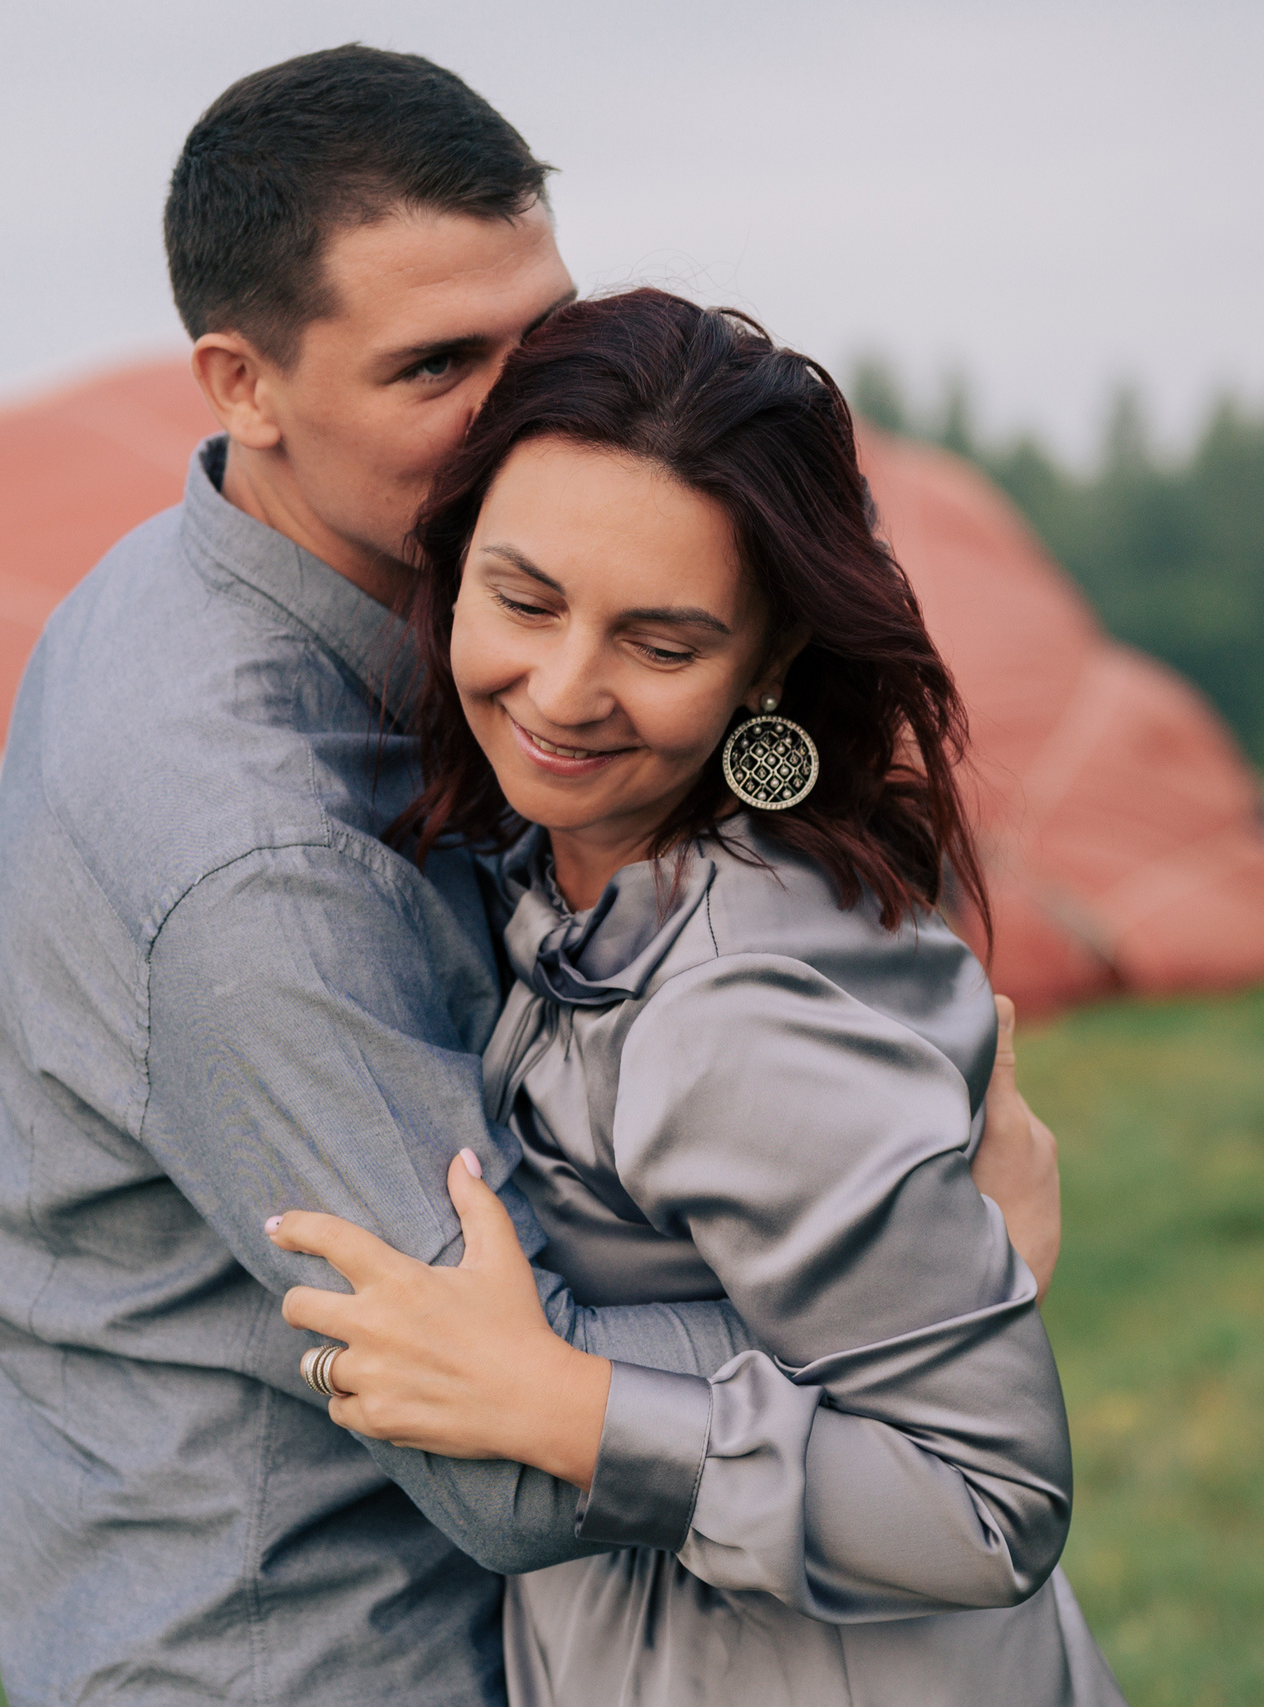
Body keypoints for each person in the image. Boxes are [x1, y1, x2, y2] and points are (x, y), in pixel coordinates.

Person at [0, 46, 1062, 1707]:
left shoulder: (250, 573)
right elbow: (504, 1453)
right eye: (435, 366)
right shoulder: (254, 856)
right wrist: (936, 1258)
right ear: (243, 387)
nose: (515, 414)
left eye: (537, 336)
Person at [267, 289, 1121, 1704]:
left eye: (659, 645)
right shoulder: (590, 872)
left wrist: (564, 1405)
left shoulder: (736, 1006)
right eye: (523, 598)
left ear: (765, 665)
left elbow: (990, 1495)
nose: (561, 688)